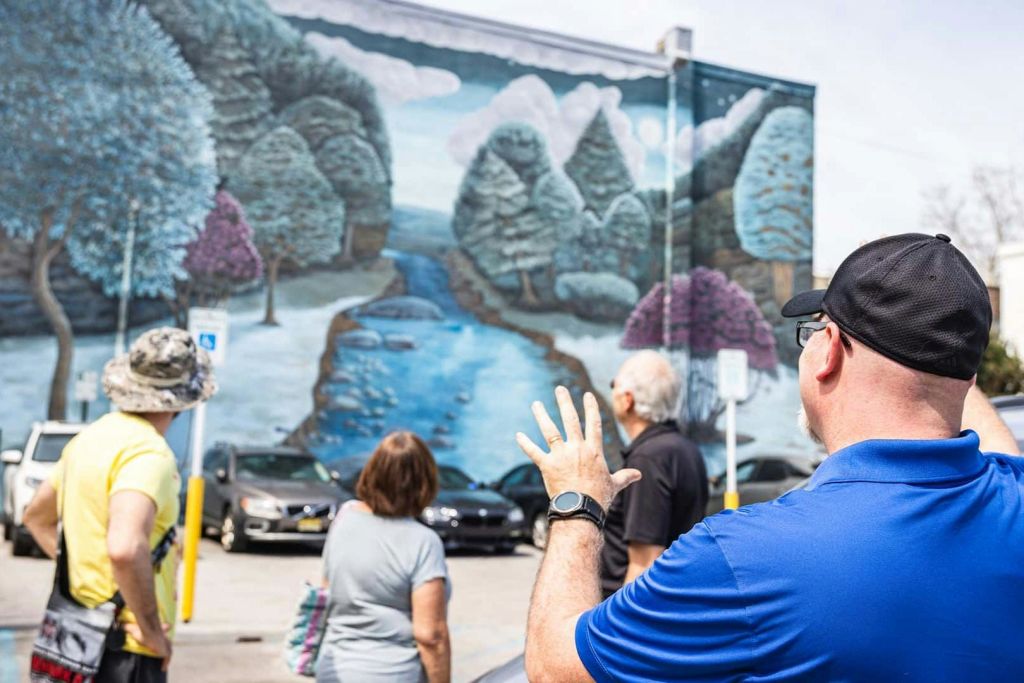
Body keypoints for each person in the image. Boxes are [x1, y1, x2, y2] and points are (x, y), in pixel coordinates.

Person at [515, 233, 1024, 682]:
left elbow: (554, 668)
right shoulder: (1013, 496)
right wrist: (938, 331)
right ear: (968, 375)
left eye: (813, 330)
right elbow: (993, 436)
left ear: (828, 350)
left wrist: (576, 502)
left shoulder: (742, 559)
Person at [23, 327, 217, 682]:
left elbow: (36, 517)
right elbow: (126, 548)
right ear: (183, 401)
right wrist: (152, 632)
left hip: (75, 634)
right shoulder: (150, 454)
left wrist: (88, 580)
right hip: (125, 649)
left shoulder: (91, 438)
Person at [317, 431, 451, 683]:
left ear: (372, 472)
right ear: (424, 482)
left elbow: (326, 589)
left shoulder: (344, 517)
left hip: (334, 669)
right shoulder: (423, 541)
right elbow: (430, 635)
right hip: (392, 672)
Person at [601, 351, 707, 597]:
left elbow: (645, 562)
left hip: (633, 606)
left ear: (628, 400)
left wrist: (620, 620)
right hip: (675, 597)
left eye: (613, 384)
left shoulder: (647, 459)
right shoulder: (684, 449)